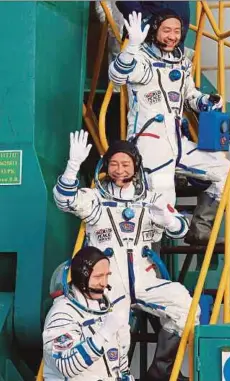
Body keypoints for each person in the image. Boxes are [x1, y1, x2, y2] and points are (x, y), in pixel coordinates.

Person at [53, 130, 200, 381]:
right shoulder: (96, 199)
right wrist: (72, 165)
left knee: (185, 306)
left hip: (143, 279)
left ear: (136, 167)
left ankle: (161, 372)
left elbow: (182, 229)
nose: (119, 170)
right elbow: (65, 200)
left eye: (125, 164)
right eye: (113, 164)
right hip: (108, 284)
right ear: (105, 166)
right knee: (116, 332)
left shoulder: (151, 199)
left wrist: (166, 219)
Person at [108, 11, 230, 245]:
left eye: (177, 31)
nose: (172, 36)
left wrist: (206, 101)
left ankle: (200, 228)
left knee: (228, 173)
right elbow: (118, 75)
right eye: (167, 30)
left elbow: (190, 96)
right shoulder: (142, 59)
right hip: (150, 143)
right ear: (156, 30)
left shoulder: (182, 62)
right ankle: (148, 259)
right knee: (161, 200)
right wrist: (131, 47)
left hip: (177, 141)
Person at [43, 246, 134, 380]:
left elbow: (120, 366)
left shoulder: (105, 308)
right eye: (98, 276)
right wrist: (104, 333)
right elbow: (66, 365)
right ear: (82, 277)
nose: (104, 283)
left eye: (106, 275)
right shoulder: (62, 314)